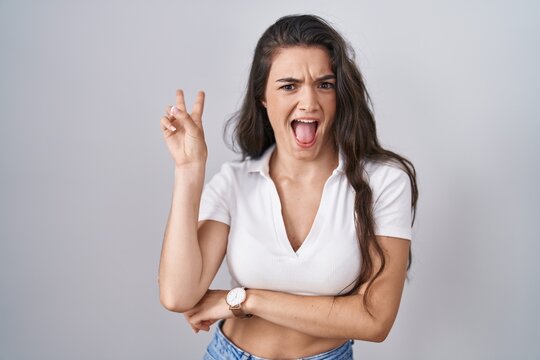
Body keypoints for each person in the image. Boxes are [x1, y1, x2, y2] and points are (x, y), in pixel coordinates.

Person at [158, 14, 418, 360]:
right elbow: (178, 295)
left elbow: (374, 320)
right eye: (289, 85)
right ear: (263, 97)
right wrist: (190, 170)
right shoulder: (235, 182)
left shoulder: (384, 181)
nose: (309, 102)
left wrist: (245, 299)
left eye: (324, 84)